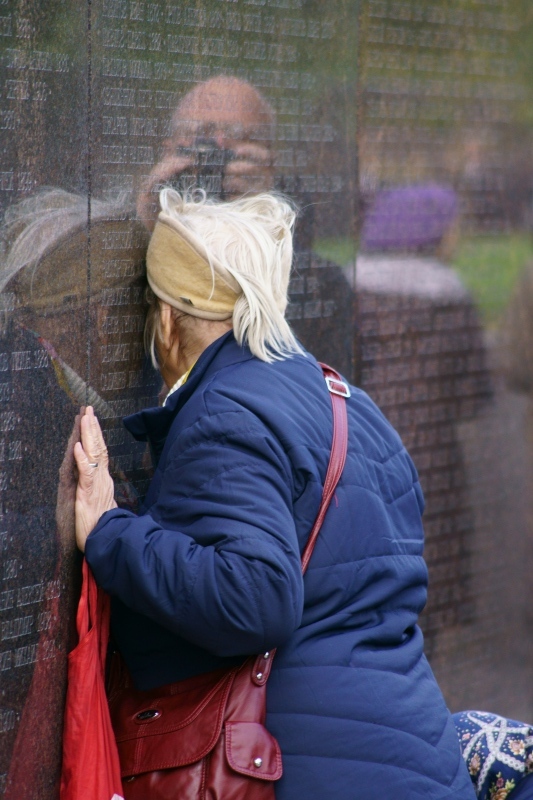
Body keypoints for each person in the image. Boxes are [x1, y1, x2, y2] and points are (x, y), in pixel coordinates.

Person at [73, 187, 475, 799]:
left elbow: (255, 597)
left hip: (306, 771)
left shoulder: (225, 412)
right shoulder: (355, 407)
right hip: (419, 759)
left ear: (168, 318)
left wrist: (110, 532)